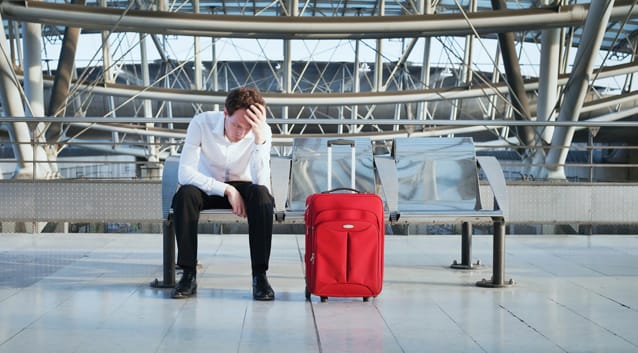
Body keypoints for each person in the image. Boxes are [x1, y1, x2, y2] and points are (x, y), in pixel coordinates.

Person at [170, 86, 275, 301]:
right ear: (225, 113)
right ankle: (188, 274)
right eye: (236, 125)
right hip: (208, 186)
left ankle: (260, 277)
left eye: (246, 128)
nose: (240, 133)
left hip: (246, 186)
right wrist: (227, 189)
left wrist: (259, 139)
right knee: (185, 196)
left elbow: (261, 181)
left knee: (262, 197)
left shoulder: (260, 131)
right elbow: (185, 173)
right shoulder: (202, 123)